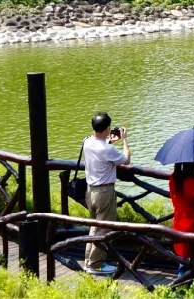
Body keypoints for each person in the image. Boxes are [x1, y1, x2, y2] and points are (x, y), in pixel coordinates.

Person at [82, 113, 131, 275]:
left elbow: (101, 147)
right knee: (103, 230)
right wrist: (124, 140)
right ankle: (96, 265)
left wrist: (109, 140)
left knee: (95, 227)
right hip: (104, 192)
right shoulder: (107, 149)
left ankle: (88, 261)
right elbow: (126, 159)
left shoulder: (87, 142)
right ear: (108, 128)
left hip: (90, 191)